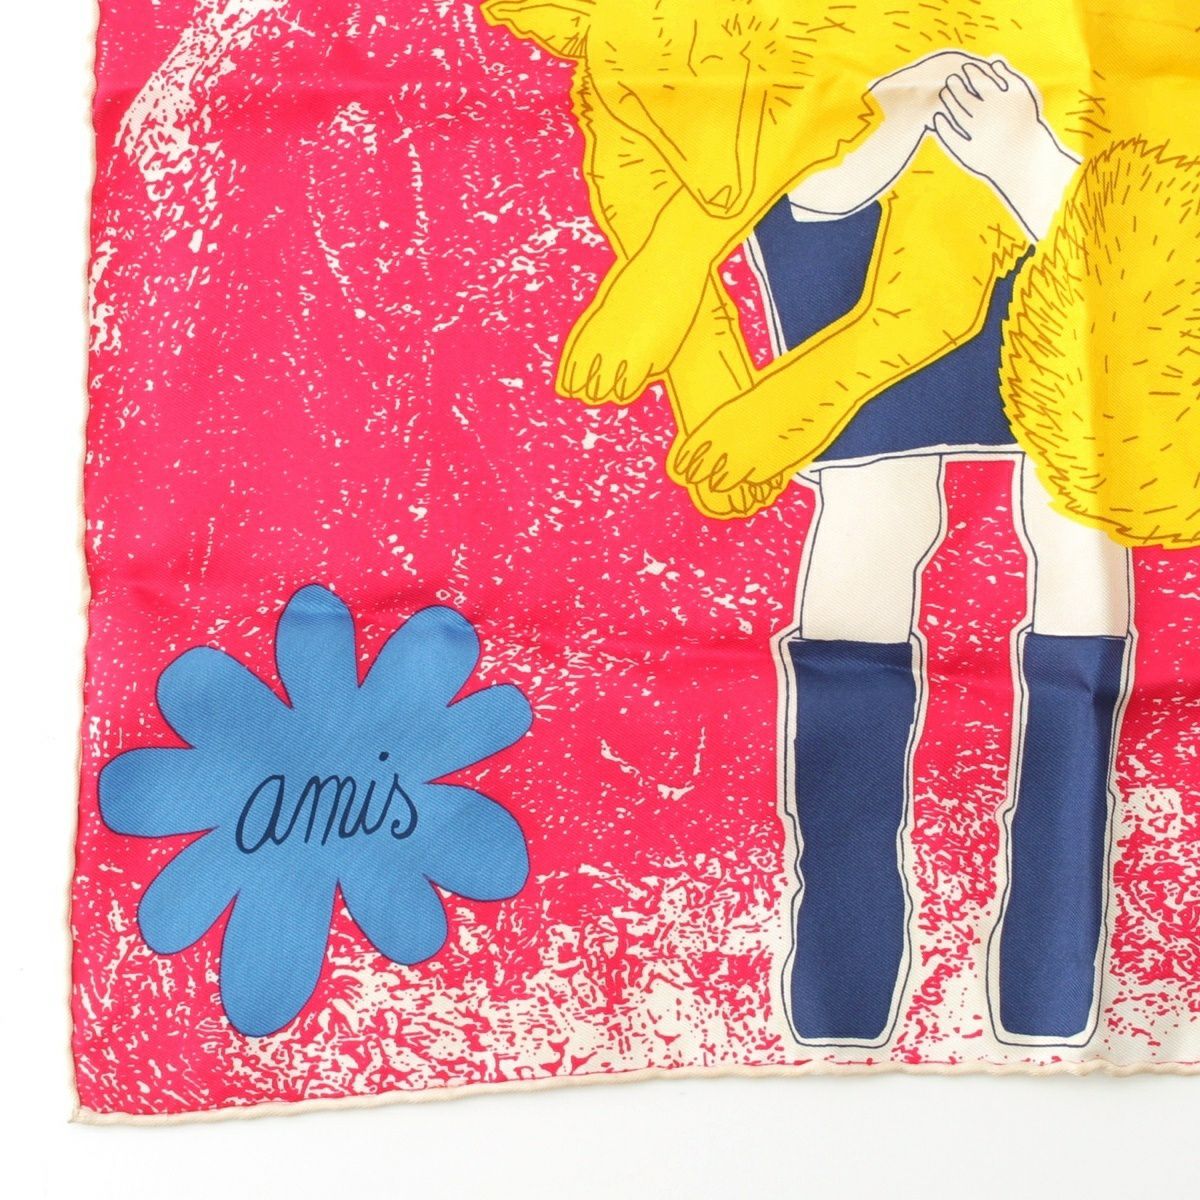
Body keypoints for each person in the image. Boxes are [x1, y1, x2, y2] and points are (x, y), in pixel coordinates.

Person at [745, 55, 1132, 1046]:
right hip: (872, 269)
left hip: (1070, 260)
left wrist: (1025, 159)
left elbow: (1154, 235)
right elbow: (777, 169)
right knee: (875, 520)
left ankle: (1053, 993)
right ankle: (841, 989)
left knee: (1071, 525)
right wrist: (901, 115)